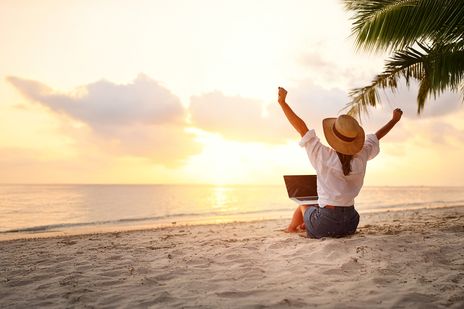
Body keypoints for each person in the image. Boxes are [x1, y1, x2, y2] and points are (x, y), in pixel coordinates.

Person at [277, 87, 403, 238]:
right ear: (354, 140)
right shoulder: (361, 155)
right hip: (350, 222)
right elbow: (377, 136)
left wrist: (282, 102)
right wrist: (394, 120)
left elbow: (301, 128)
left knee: (304, 205)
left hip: (327, 223)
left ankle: (291, 229)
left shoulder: (322, 154)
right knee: (315, 210)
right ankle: (307, 225)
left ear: (333, 137)